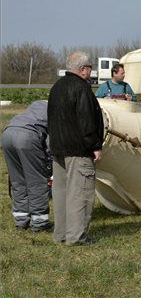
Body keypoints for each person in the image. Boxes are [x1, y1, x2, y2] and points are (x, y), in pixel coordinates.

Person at [48, 52, 104, 246]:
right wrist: (95, 146)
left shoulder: (56, 87)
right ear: (83, 69)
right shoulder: (82, 88)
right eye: (90, 67)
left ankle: (61, 234)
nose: (91, 70)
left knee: (62, 193)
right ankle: (77, 236)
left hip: (58, 148)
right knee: (80, 193)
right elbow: (86, 121)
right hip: (78, 150)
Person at [2, 101, 53, 232]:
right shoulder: (56, 110)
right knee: (36, 181)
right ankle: (39, 223)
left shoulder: (37, 104)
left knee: (18, 180)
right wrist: (49, 163)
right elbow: (50, 142)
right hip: (28, 136)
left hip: (7, 134)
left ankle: (21, 220)